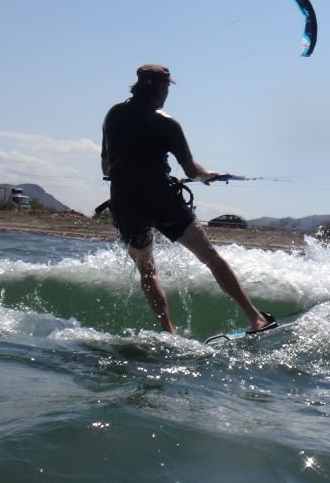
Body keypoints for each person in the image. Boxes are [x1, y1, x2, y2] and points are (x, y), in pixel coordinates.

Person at [100, 63, 275, 336]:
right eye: (167, 87)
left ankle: (168, 332)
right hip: (161, 200)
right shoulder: (166, 122)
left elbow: (106, 167)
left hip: (124, 203)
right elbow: (193, 172)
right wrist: (209, 176)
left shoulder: (113, 115)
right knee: (211, 258)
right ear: (161, 87)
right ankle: (256, 318)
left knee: (147, 270)